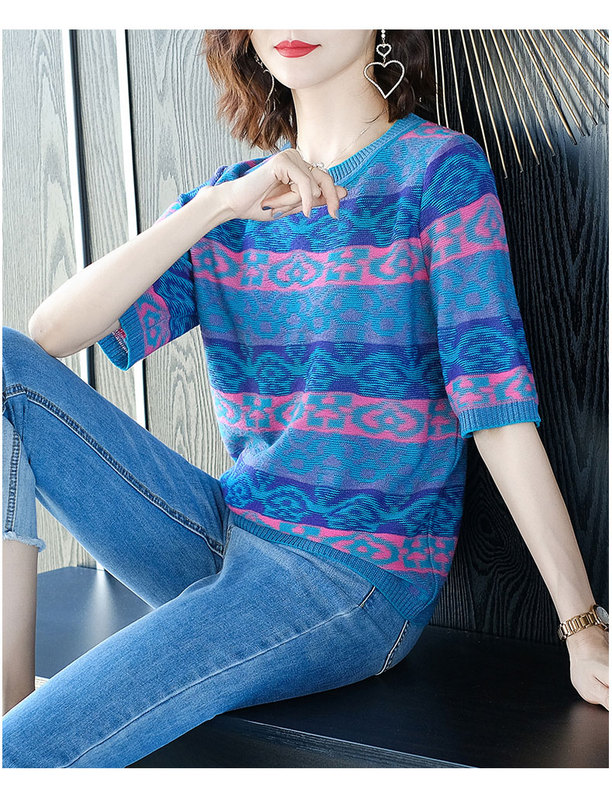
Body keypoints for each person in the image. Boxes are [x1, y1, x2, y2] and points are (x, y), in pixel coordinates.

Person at [2, 29, 608, 768]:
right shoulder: (238, 199)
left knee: (20, 755)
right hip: (228, 532)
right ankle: (8, 692)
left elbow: (498, 410)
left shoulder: (437, 172)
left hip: (352, 579)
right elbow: (49, 334)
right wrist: (213, 206)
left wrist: (582, 626)